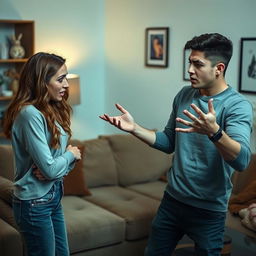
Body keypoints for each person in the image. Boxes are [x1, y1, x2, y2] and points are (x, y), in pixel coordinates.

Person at [100, 33, 253, 256]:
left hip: (209, 210)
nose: (190, 70)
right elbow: (169, 141)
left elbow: (242, 160)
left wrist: (215, 132)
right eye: (190, 62)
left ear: (219, 68)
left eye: (197, 64)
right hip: (172, 201)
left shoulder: (237, 106)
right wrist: (135, 129)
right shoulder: (184, 94)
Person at [3, 52, 81, 256]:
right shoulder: (29, 114)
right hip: (34, 204)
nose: (66, 85)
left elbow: (55, 169)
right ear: (41, 81)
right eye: (60, 79)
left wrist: (60, 165)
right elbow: (51, 167)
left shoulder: (52, 110)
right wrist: (71, 155)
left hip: (53, 196)